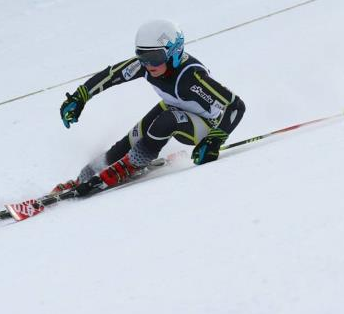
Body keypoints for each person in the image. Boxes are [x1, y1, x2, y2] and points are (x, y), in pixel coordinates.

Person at [54, 19, 246, 196]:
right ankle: (84, 176)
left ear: (174, 53)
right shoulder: (145, 66)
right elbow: (111, 75)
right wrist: (80, 96)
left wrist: (213, 141)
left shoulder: (190, 77)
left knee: (166, 120)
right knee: (128, 142)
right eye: (142, 57)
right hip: (174, 109)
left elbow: (236, 105)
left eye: (154, 57)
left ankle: (134, 163)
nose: (147, 65)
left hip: (204, 126)